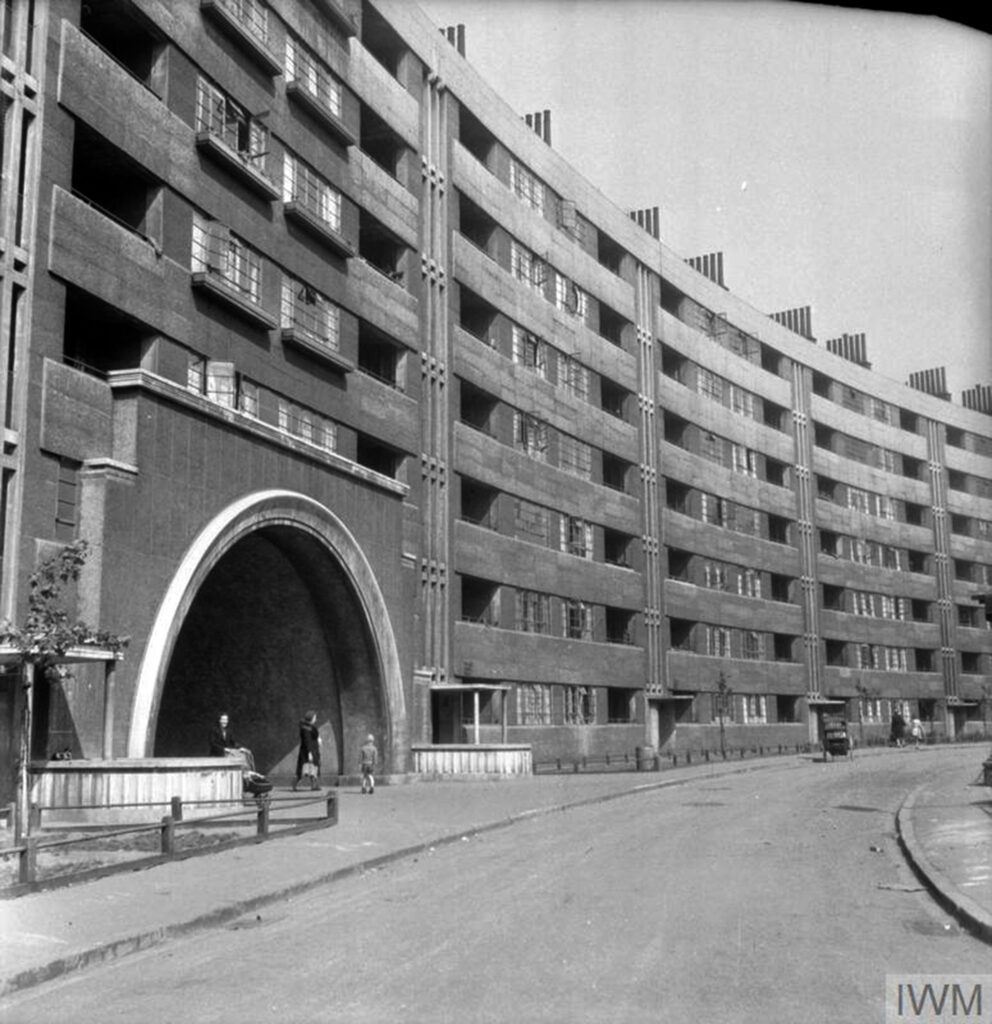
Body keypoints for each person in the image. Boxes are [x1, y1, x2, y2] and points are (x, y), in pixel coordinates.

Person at [294, 710, 322, 791]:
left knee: (314, 768)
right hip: (308, 751)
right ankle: (295, 784)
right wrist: (309, 752)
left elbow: (315, 737)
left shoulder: (311, 728)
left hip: (314, 750)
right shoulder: (305, 729)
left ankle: (314, 785)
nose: (315, 719)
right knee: (304, 769)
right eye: (314, 718)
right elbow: (307, 741)